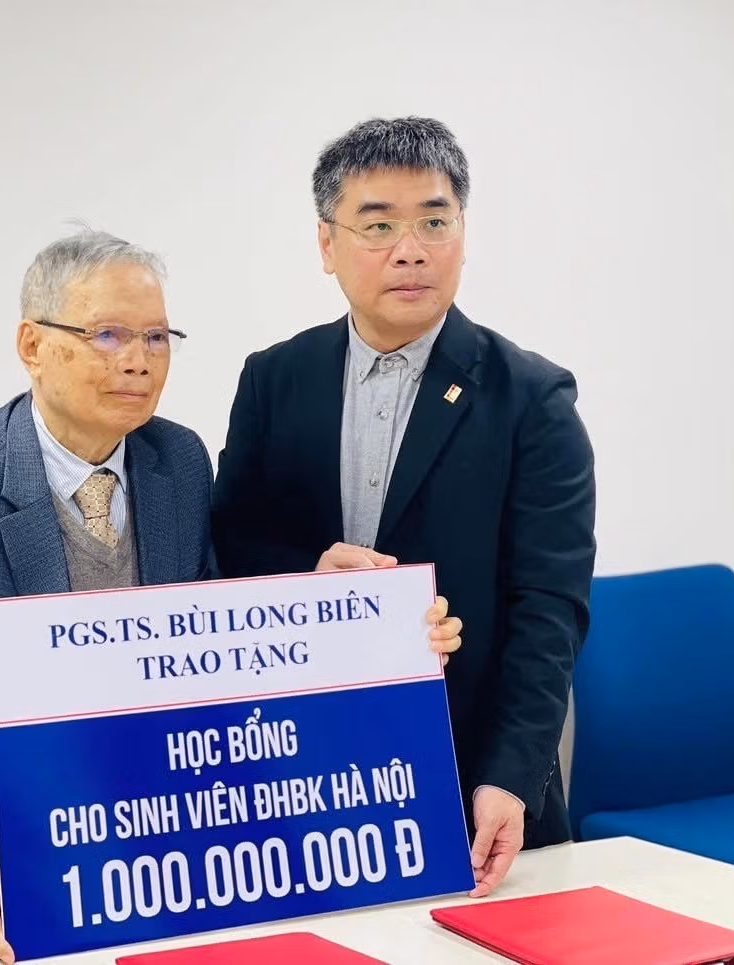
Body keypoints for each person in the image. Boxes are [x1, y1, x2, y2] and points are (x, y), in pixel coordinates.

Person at [0, 228, 465, 962]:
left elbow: (210, 650)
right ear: (32, 345)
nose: (138, 359)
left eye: (157, 337)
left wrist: (345, 625)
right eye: (108, 334)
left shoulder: (178, 462)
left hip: (160, 856)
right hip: (4, 859)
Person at [210, 117, 597, 899]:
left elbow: (549, 609)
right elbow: (229, 546)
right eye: (379, 225)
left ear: (463, 232)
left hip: (473, 781)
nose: (410, 249)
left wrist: (510, 777)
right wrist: (311, 574)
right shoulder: (274, 379)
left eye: (433, 221)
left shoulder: (532, 398)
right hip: (300, 775)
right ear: (327, 244)